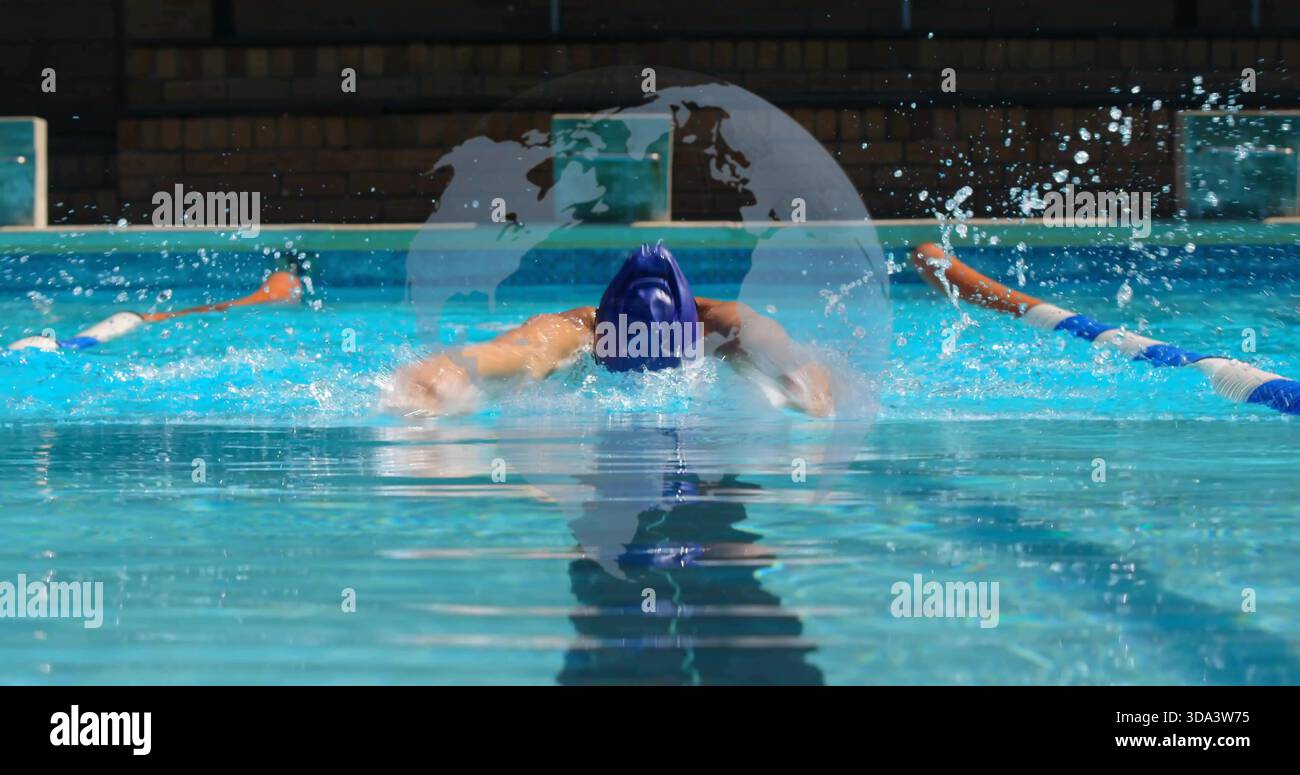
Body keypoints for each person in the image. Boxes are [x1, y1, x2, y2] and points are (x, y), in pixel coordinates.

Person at [391, 242, 834, 416]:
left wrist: (803, 385)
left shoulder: (717, 325)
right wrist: (439, 379)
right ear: (602, 338)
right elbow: (519, 352)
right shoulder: (574, 331)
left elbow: (771, 343)